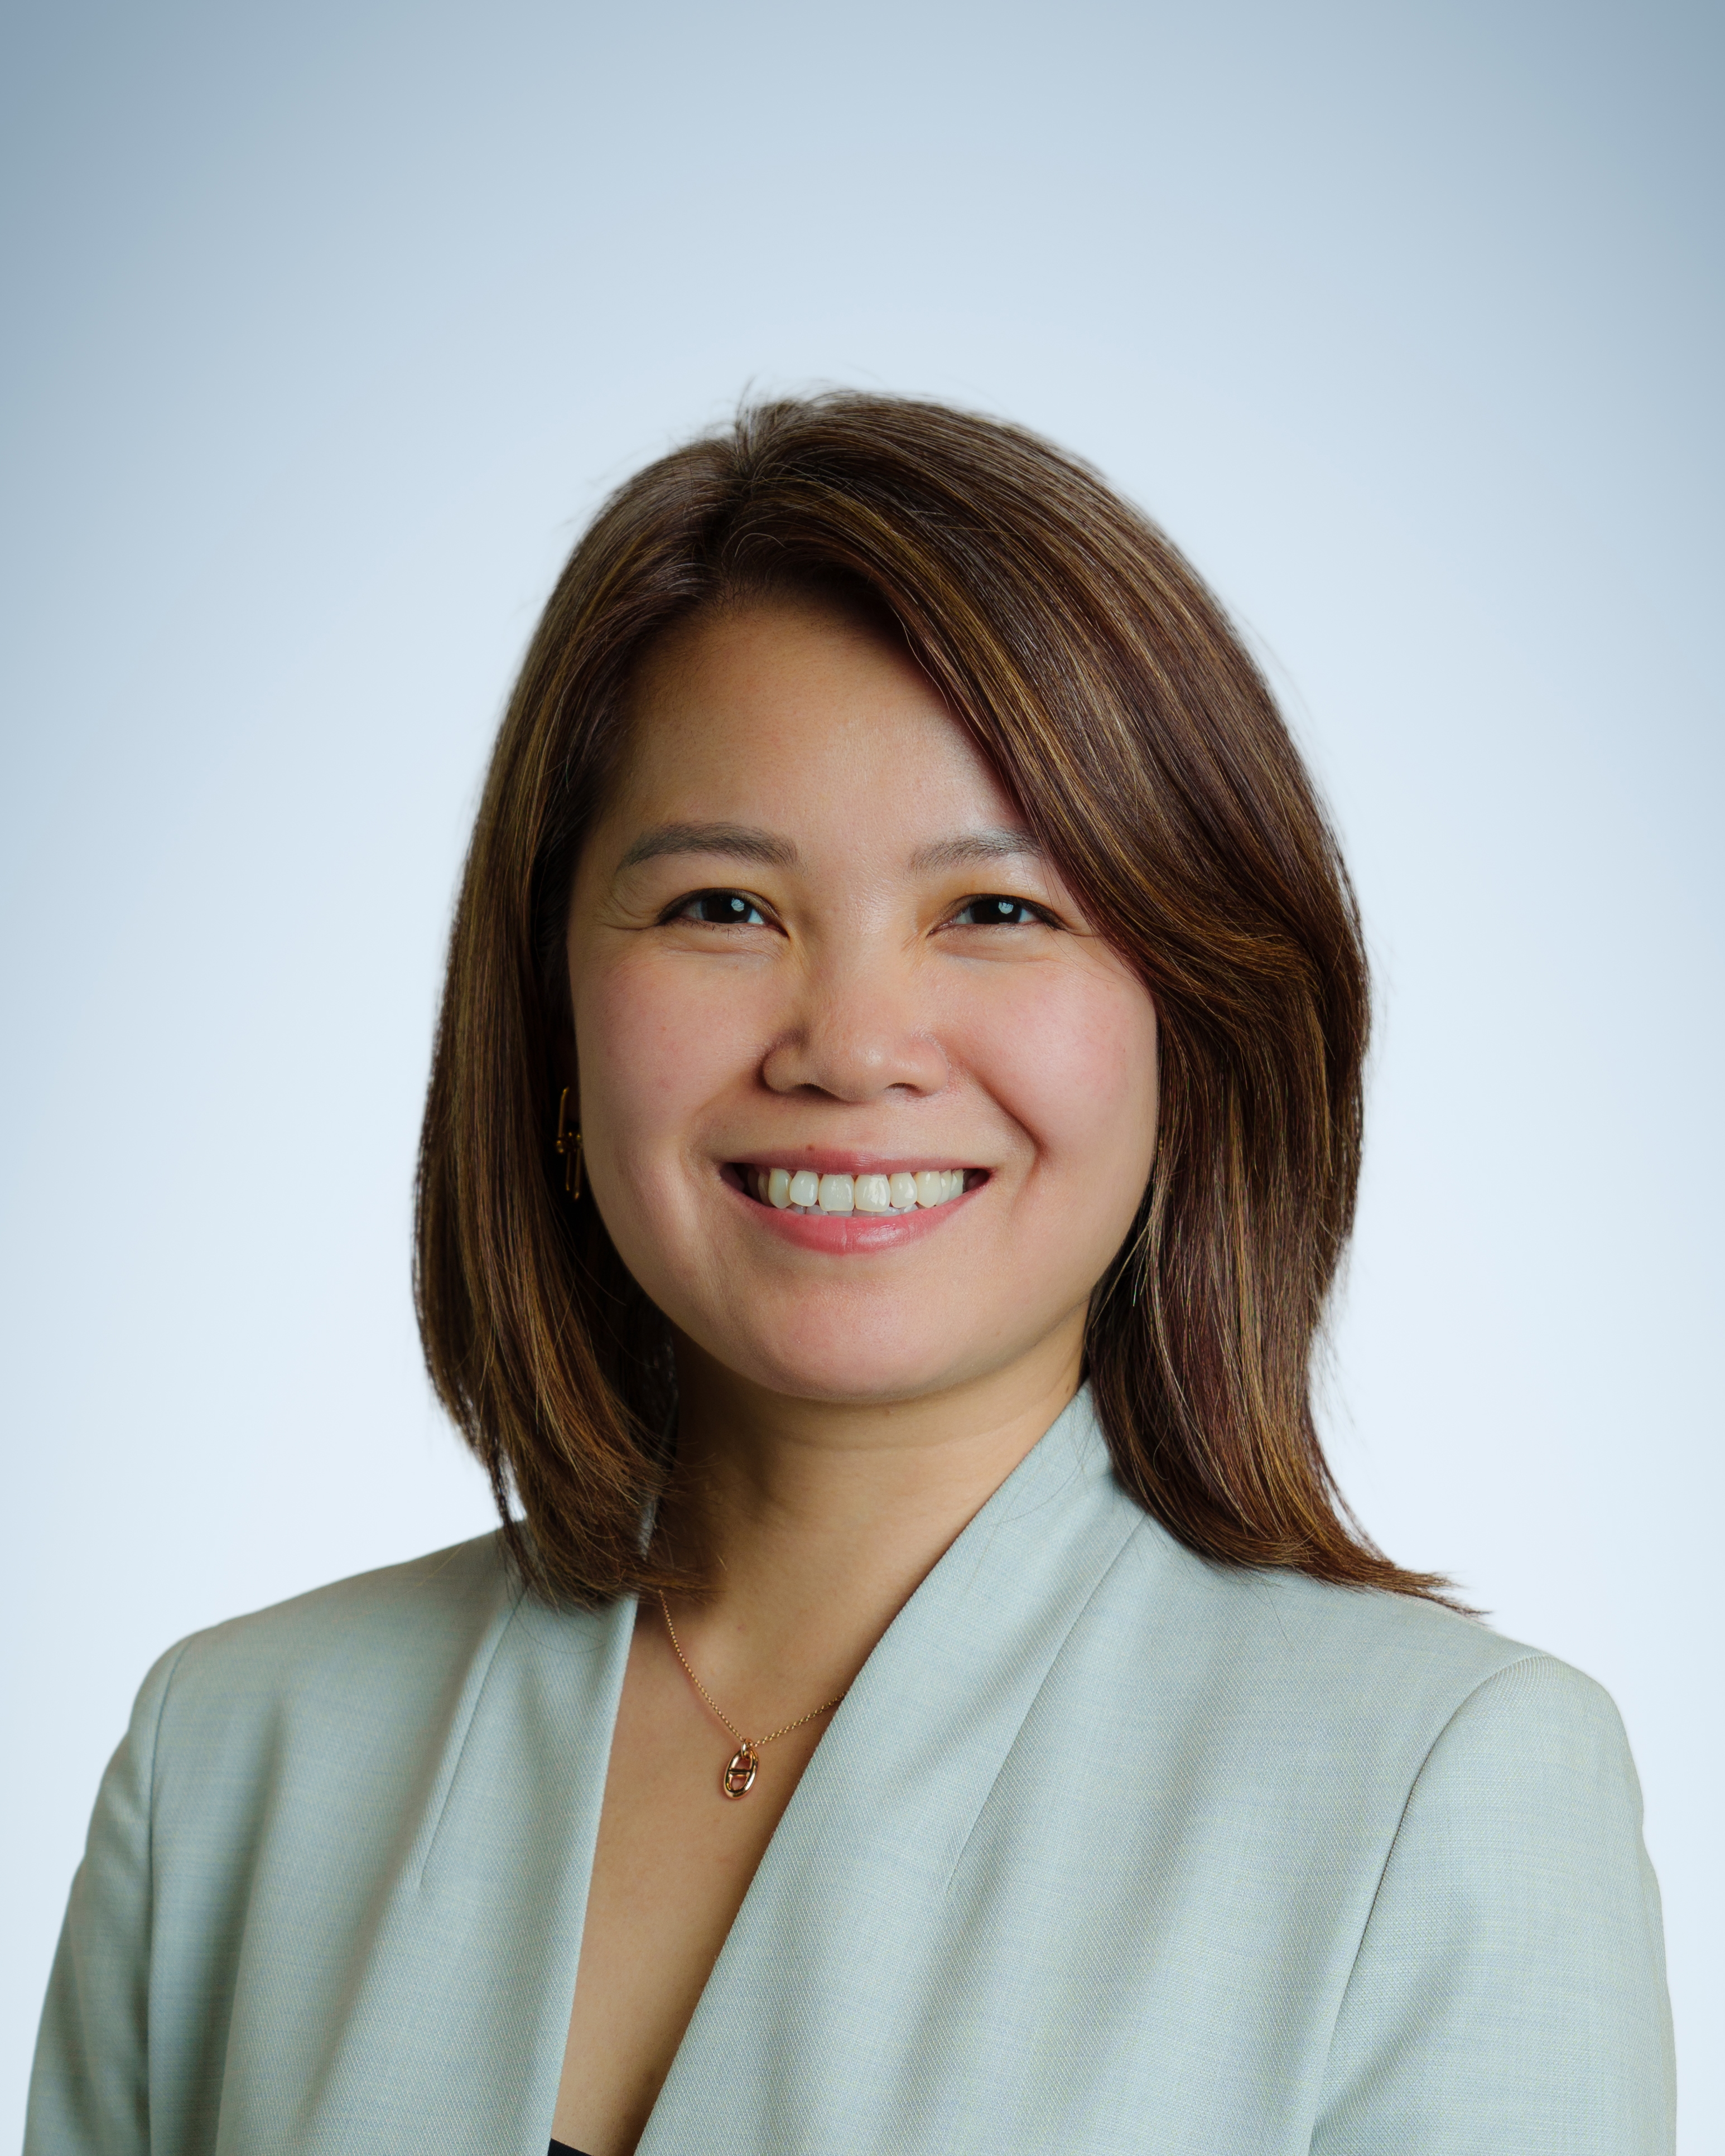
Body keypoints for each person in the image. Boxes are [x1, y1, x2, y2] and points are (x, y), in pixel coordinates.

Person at [26, 395, 1674, 2156]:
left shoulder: (1441, 1792)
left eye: (998, 911)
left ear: (1192, 1029)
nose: (852, 1044)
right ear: (553, 1016)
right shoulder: (233, 1761)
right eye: (722, 906)